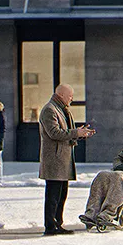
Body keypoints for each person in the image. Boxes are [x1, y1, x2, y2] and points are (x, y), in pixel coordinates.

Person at [38, 85, 90, 235]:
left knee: (62, 194)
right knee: (53, 194)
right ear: (60, 95)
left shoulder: (60, 109)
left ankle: (57, 223)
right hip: (55, 159)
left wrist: (79, 132)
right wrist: (76, 132)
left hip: (62, 159)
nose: (72, 99)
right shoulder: (50, 110)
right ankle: (50, 226)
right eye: (70, 96)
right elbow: (54, 133)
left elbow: (64, 131)